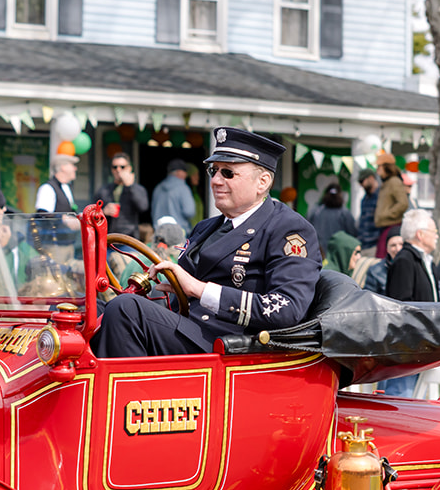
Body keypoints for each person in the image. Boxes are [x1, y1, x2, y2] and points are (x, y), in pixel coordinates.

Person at [92, 129, 319, 358]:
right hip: (193, 331)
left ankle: (126, 393)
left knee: (126, 310)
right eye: (214, 171)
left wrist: (198, 289)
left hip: (231, 346)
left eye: (228, 173)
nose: (215, 181)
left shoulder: (288, 229)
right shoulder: (206, 227)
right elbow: (180, 299)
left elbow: (287, 309)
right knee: (91, 309)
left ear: (263, 182)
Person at [380, 208, 440, 396]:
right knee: (401, 398)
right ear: (420, 234)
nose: (437, 236)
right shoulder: (405, 261)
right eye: (434, 232)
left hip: (421, 345)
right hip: (407, 348)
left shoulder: (425, 261)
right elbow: (401, 306)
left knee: (413, 402)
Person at [95, 154, 151, 237]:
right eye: (115, 167)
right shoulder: (104, 190)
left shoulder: (137, 189)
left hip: (129, 238)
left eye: (122, 167)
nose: (118, 170)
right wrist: (103, 212)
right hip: (108, 238)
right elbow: (92, 214)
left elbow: (143, 207)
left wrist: (129, 186)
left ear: (129, 168)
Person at [372, 151, 408, 258]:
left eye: (379, 167)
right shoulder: (386, 183)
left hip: (392, 227)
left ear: (386, 167)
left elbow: (403, 203)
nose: (377, 170)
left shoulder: (394, 182)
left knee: (383, 256)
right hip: (384, 227)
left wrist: (386, 214)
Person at [151, 158, 197, 233]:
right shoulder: (183, 188)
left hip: (159, 232)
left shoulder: (158, 188)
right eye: (185, 172)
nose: (186, 175)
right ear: (179, 172)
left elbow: (153, 211)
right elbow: (189, 211)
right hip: (179, 233)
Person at [307, 180, 357, 245]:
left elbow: (308, 230)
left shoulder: (316, 211)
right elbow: (352, 233)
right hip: (338, 250)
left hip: (320, 250)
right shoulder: (345, 212)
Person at [355, 169, 380, 250]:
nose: (361, 184)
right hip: (363, 244)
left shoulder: (381, 196)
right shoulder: (365, 199)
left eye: (362, 181)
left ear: (371, 178)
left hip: (375, 244)